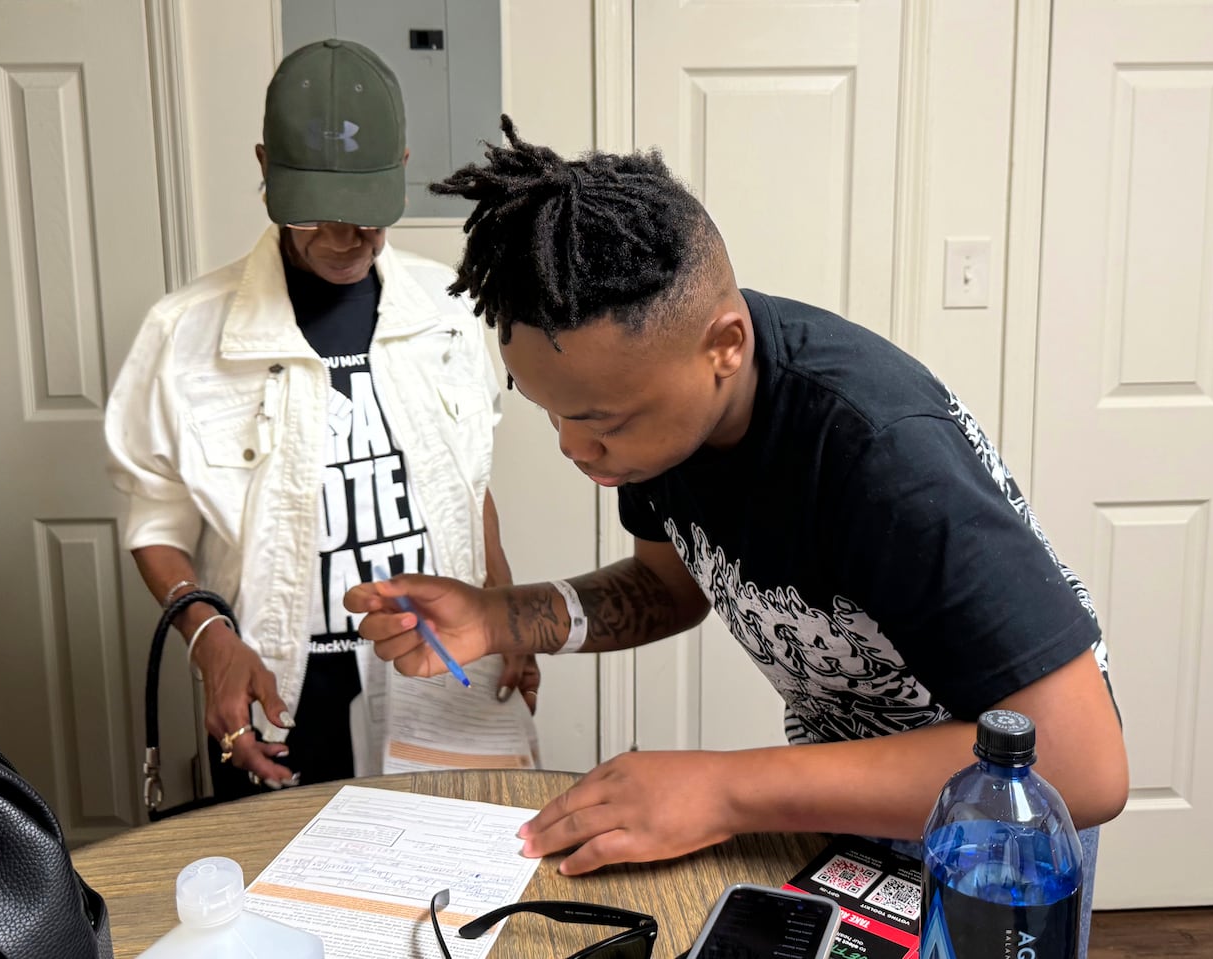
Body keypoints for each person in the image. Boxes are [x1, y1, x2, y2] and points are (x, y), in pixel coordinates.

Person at [347, 116, 1127, 904]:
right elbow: (672, 586)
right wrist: (496, 620)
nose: (574, 450)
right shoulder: (664, 420)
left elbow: (1082, 764)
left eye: (603, 421)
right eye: (553, 412)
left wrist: (723, 790)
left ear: (723, 346)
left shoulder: (882, 455)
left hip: (998, 844)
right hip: (840, 809)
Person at [106, 42, 537, 798]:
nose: (345, 237)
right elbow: (156, 524)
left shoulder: (450, 310)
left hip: (438, 667)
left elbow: (472, 482)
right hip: (279, 687)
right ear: (265, 166)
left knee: (451, 886)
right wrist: (209, 639)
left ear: (399, 165)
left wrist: (508, 615)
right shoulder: (186, 333)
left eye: (365, 214)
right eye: (318, 213)